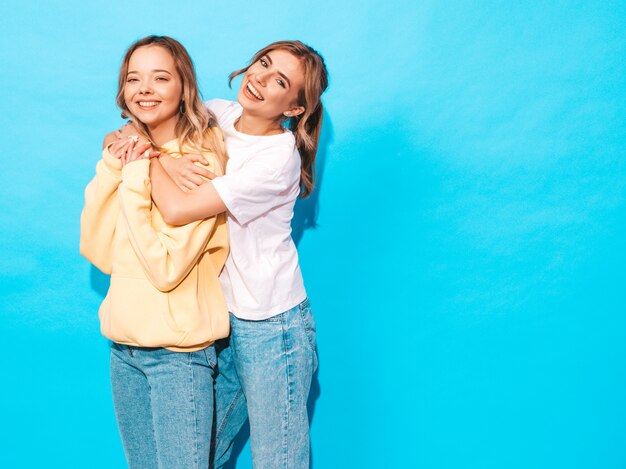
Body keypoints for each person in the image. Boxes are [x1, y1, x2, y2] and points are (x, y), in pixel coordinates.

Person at [145, 40, 329, 469]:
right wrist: (160, 158)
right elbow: (134, 125)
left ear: (295, 108)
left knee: (277, 460)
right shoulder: (218, 112)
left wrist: (150, 161)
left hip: (272, 327)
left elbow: (175, 209)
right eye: (262, 64)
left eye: (279, 80)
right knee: (196, 454)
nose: (260, 79)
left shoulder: (275, 159)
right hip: (217, 317)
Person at [79, 35, 229, 469]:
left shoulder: (201, 163)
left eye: (160, 77)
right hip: (124, 349)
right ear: (123, 92)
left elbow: (166, 269)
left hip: (178, 357)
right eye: (133, 78)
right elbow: (98, 248)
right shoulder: (129, 152)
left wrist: (144, 166)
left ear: (184, 87)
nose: (144, 88)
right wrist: (116, 164)